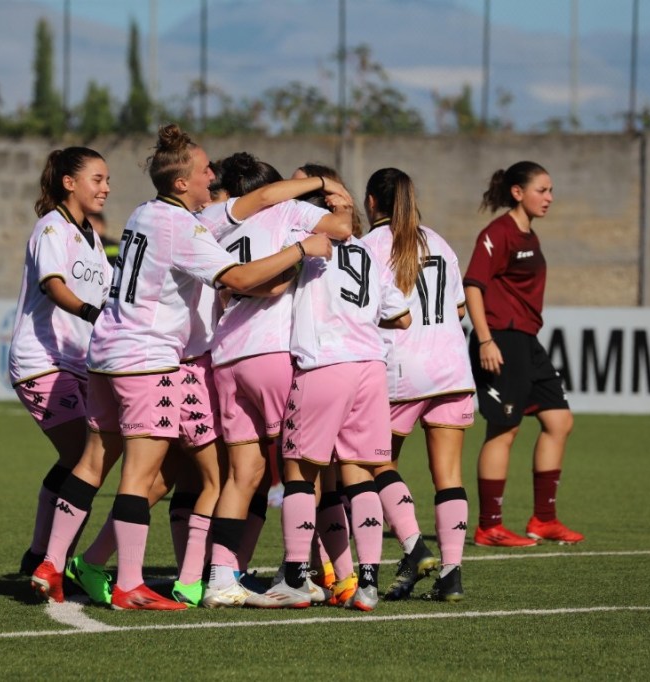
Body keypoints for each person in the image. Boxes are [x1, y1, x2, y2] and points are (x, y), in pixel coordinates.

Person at [58, 124, 336, 611]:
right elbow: (248, 280)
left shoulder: (174, 214)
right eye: (207, 170)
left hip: (171, 358)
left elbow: (262, 202)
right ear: (185, 183)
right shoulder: (192, 225)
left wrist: (308, 188)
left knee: (175, 476)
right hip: (179, 362)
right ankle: (195, 578)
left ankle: (86, 561)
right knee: (216, 474)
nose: (213, 177)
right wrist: (302, 244)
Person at [245, 190, 413, 612]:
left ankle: (296, 578)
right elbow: (401, 314)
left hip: (325, 364)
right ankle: (368, 583)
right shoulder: (367, 254)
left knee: (299, 470)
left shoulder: (309, 247)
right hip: (370, 367)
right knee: (360, 472)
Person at [199, 153, 353, 608]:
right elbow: (342, 231)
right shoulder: (289, 211)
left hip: (226, 355)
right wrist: (337, 200)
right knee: (303, 469)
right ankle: (301, 573)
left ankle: (220, 579)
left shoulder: (217, 221)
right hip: (271, 353)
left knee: (242, 475)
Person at [361, 167, 474, 602]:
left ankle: (414, 545)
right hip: (451, 369)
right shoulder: (438, 241)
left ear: (372, 202)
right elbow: (459, 309)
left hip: (401, 369)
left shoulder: (370, 245)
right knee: (448, 476)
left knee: (374, 463)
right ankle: (451, 574)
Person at [9, 147, 113, 599]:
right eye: (97, 178)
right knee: (84, 456)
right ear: (69, 183)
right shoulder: (52, 227)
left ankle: (41, 557)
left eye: (107, 180)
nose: (106, 187)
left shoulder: (92, 236)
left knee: (81, 459)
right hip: (42, 361)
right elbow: (53, 286)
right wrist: (94, 312)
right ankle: (49, 562)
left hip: (78, 363)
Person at [463, 161, 584, 547]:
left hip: (527, 342)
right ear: (518, 192)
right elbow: (473, 286)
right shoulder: (497, 234)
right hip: (500, 340)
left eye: (551, 191)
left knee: (559, 421)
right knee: (504, 430)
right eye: (542, 190)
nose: (549, 198)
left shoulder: (530, 236)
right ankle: (489, 526)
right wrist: (485, 340)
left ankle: (543, 519)